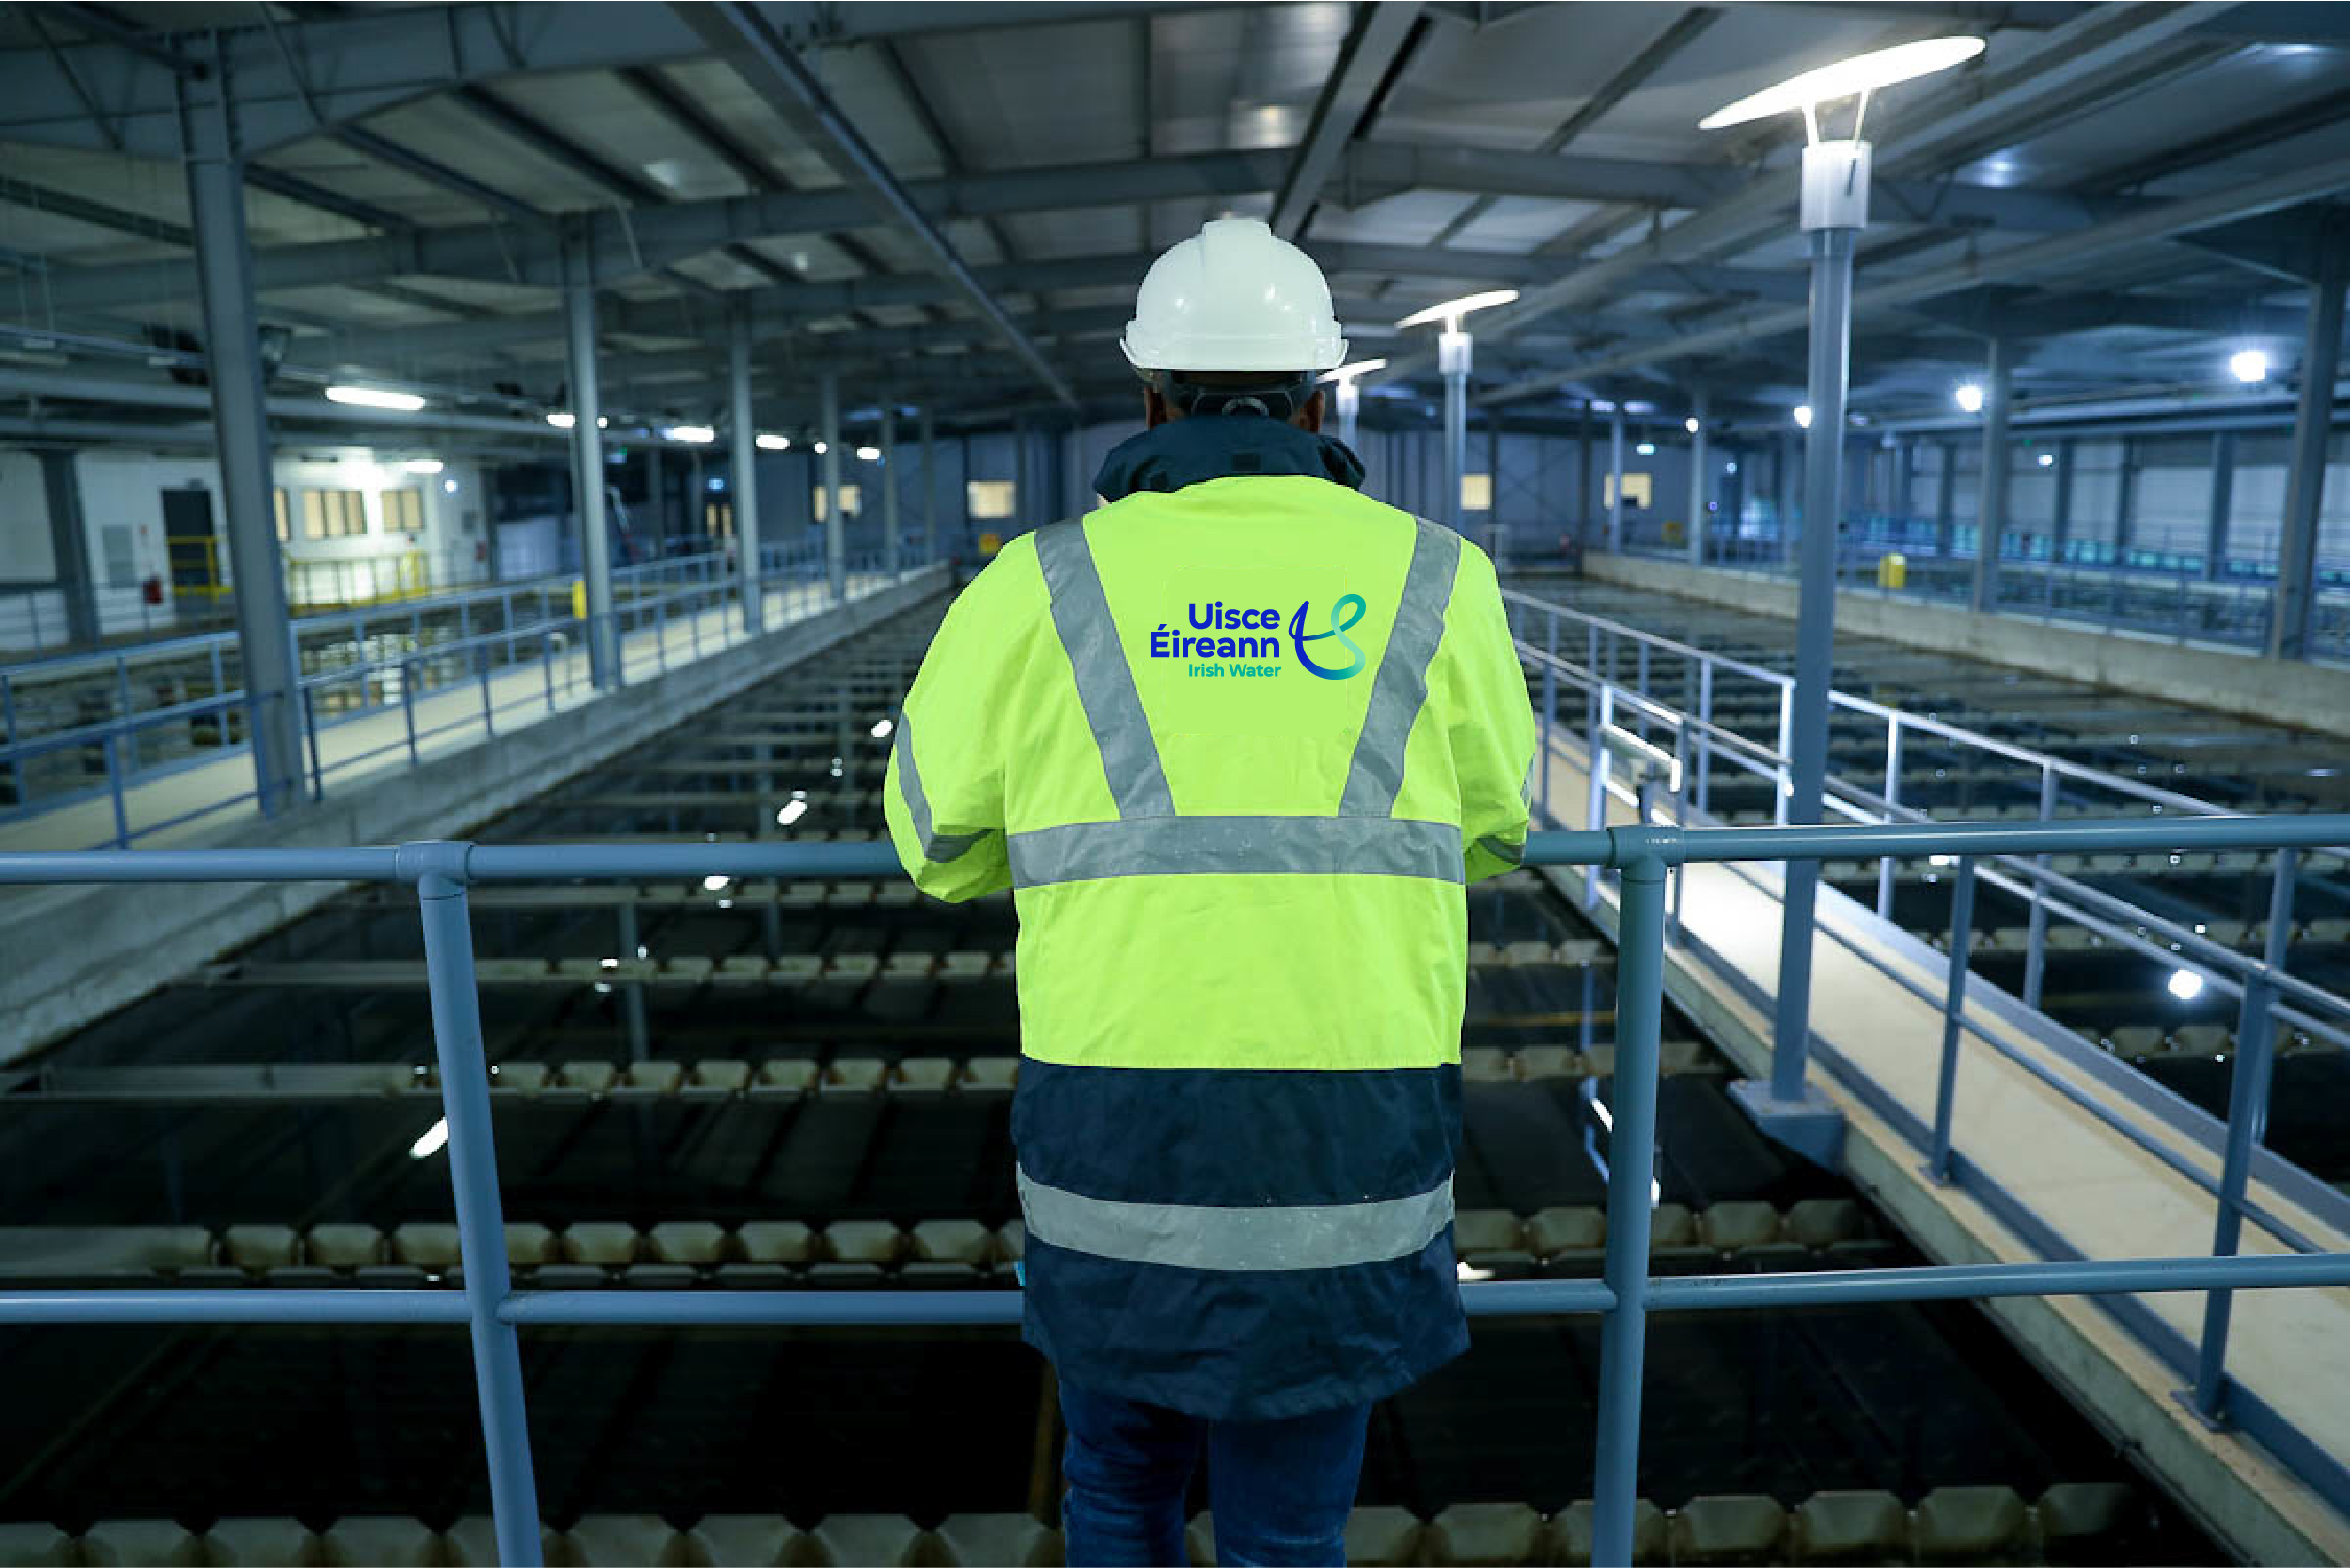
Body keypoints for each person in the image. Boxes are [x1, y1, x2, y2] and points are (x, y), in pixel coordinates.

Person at [883, 217, 1537, 1568]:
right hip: (1347, 1146)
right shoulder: (1438, 578)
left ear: (1149, 399)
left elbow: (938, 845)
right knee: (1290, 1532)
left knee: (1117, 1496)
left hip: (1121, 1140)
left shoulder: (1037, 583)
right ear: (1320, 399)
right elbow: (1494, 832)